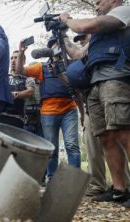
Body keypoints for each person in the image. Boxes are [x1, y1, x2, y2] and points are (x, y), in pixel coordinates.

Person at [60, 1, 130, 207]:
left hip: (117, 76)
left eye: (100, 0)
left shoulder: (124, 11)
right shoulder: (100, 35)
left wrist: (67, 20)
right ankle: (119, 190)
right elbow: (78, 54)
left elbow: (84, 26)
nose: (97, 4)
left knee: (124, 132)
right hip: (95, 82)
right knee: (106, 137)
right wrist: (62, 36)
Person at [15, 37, 81, 181]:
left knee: (72, 145)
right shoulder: (41, 67)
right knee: (52, 148)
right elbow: (20, 71)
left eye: (59, 45)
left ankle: (74, 181)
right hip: (48, 112)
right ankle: (52, 179)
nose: (56, 48)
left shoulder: (71, 64)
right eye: (53, 46)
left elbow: (77, 89)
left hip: (69, 109)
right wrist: (21, 53)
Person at [0, 50, 35, 128]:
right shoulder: (3, 77)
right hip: (0, 117)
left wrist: (14, 94)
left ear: (23, 61)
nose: (13, 60)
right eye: (11, 58)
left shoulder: (28, 78)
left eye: (16, 58)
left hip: (17, 119)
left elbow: (30, 92)